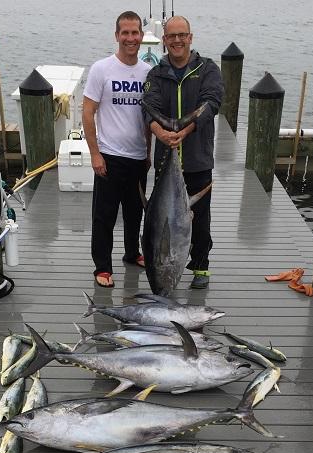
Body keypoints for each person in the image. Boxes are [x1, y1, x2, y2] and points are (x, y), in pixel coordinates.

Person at [143, 16, 223, 289]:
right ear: (164, 40)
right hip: (165, 158)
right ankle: (160, 262)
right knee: (160, 220)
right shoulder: (156, 74)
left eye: (182, 35)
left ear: (190, 37)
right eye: (171, 36)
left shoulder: (207, 69)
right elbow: (148, 108)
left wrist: (183, 131)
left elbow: (212, 103)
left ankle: (201, 266)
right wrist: (161, 132)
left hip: (197, 157)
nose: (177, 40)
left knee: (200, 218)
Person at [83, 11, 151, 288]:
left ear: (141, 36)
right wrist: (95, 153)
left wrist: (148, 152)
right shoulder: (101, 69)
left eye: (135, 33)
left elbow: (148, 117)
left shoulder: (147, 72)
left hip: (138, 156)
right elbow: (88, 113)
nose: (130, 38)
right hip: (109, 156)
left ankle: (132, 253)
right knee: (105, 216)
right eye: (125, 33)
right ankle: (102, 266)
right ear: (116, 35)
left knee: (135, 212)